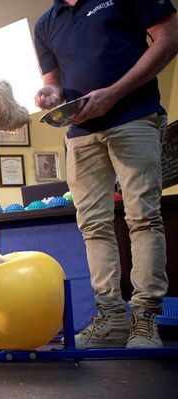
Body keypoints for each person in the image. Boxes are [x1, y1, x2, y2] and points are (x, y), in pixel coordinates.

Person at [33, 0, 178, 348]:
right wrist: (51, 94)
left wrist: (113, 94)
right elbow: (54, 82)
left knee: (143, 216)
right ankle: (111, 317)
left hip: (135, 116)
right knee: (93, 224)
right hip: (81, 133)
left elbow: (169, 38)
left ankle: (144, 318)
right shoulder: (45, 24)